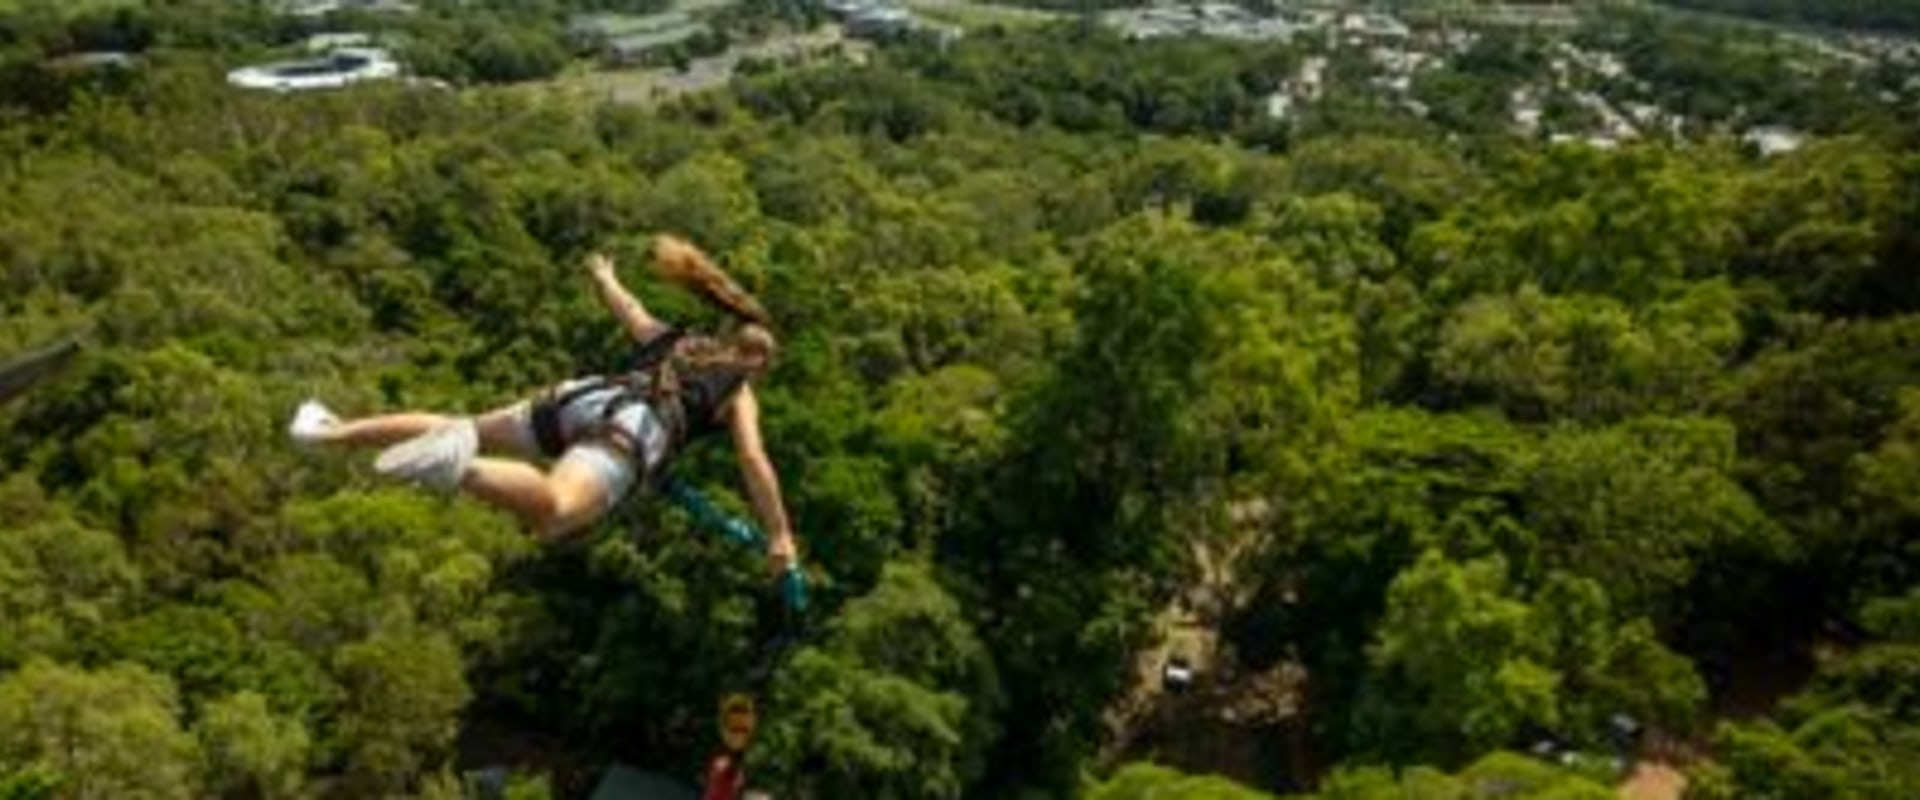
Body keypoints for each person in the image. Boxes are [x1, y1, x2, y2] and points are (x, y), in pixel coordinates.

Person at [288, 235, 797, 575]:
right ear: (758, 363)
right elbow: (754, 461)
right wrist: (779, 535)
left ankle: (326, 430)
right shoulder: (740, 389)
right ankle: (459, 468)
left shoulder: (680, 340)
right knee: (553, 511)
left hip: (580, 399)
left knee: (458, 424)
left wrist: (604, 277)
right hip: (627, 433)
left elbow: (630, 309)